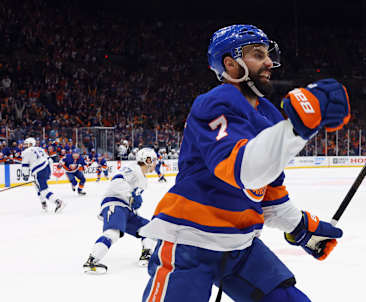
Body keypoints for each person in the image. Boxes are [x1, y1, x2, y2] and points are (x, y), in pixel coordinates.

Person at [139, 24, 351, 302]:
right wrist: (297, 129)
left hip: (241, 246)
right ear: (230, 63)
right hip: (190, 242)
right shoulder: (214, 103)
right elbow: (243, 171)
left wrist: (300, 227)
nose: (268, 63)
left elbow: (268, 195)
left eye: (267, 55)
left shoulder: (270, 116)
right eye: (257, 54)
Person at [83, 148, 158, 274]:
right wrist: (131, 195)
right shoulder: (134, 168)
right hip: (115, 203)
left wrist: (133, 204)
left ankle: (146, 255)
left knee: (148, 228)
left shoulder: (144, 180)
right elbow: (116, 181)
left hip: (126, 209)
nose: (156, 163)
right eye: (154, 160)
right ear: (147, 160)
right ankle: (92, 261)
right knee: (112, 233)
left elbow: (132, 199)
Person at [21, 137, 65, 213]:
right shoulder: (40, 149)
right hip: (46, 168)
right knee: (37, 187)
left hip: (39, 171)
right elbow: (49, 160)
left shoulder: (26, 152)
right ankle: (44, 205)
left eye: (26, 144)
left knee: (44, 191)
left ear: (31, 144)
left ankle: (58, 202)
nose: (25, 145)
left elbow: (24, 165)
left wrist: (25, 175)